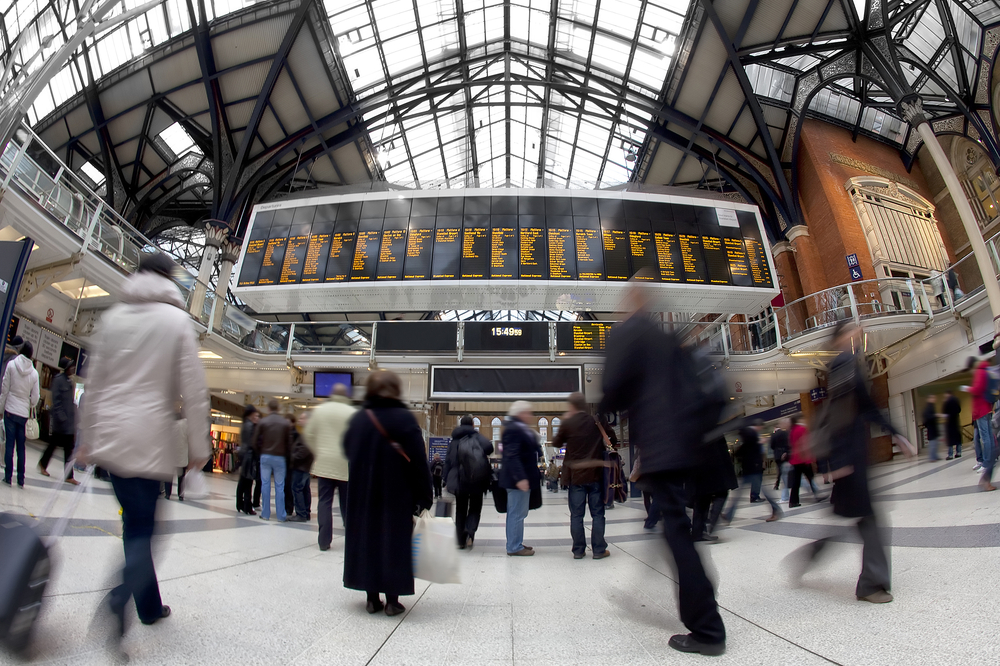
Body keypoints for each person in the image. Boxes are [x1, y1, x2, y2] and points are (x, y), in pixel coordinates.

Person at [77, 252, 210, 641]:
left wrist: (87, 439)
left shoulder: (115, 316)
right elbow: (194, 391)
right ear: (169, 279)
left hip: (111, 442)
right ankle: (121, 596)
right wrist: (199, 448)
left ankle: (149, 607)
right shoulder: (176, 322)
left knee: (133, 524)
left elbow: (94, 384)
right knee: (145, 529)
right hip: (149, 439)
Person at [599, 276, 726, 656]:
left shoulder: (629, 333)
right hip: (687, 447)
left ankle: (707, 628)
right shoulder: (669, 339)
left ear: (632, 298)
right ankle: (699, 596)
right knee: (678, 531)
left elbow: (611, 391)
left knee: (677, 534)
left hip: (660, 446)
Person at [789, 320, 915, 603]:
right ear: (841, 337)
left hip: (853, 455)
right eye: (853, 331)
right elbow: (840, 414)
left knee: (851, 518)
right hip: (850, 457)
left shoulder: (849, 363)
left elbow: (866, 407)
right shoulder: (843, 363)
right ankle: (870, 585)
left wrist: (896, 434)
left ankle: (809, 557)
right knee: (867, 519)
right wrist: (839, 461)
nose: (858, 335)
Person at [342, 371, 432, 616]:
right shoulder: (404, 419)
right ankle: (392, 600)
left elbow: (347, 450)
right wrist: (425, 495)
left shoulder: (359, 419)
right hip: (396, 493)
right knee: (394, 541)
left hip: (363, 494)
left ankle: (371, 598)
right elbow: (418, 462)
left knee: (367, 540)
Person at [554, 392, 610, 560]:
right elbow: (612, 439)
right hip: (595, 475)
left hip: (576, 477)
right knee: (598, 514)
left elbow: (556, 443)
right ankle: (599, 550)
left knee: (577, 515)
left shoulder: (568, 422)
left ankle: (578, 550)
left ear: (571, 406)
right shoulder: (597, 421)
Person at [304, 383, 354, 551]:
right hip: (345, 465)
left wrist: (318, 452)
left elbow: (308, 435)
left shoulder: (320, 410)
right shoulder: (352, 413)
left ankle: (324, 541)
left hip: (325, 464)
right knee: (347, 504)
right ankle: (352, 539)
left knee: (324, 502)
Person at [443, 414, 493, 549]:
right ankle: (470, 532)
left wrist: (445, 478)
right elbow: (490, 448)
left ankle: (460, 540)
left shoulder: (454, 440)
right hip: (477, 478)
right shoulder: (477, 437)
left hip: (459, 480)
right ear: (473, 425)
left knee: (460, 509)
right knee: (475, 507)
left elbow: (448, 461)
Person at [499, 401, 541, 557]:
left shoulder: (518, 428)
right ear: (521, 413)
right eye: (528, 413)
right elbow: (512, 455)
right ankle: (514, 546)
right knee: (517, 513)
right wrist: (520, 478)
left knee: (517, 513)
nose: (530, 416)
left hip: (518, 479)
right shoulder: (514, 429)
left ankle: (515, 542)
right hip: (516, 481)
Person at [724, 420, 781, 524]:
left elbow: (746, 448)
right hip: (751, 467)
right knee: (743, 492)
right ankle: (728, 515)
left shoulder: (750, 433)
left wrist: (737, 453)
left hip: (752, 467)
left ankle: (776, 509)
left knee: (761, 490)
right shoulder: (751, 434)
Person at [1, 339, 39, 488]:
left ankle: (8, 477)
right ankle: (21, 480)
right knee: (21, 447)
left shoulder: (11, 365)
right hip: (23, 414)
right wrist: (27, 403)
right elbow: (35, 398)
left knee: (9, 444)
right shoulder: (34, 373)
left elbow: (5, 388)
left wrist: (1, 406)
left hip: (10, 410)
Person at [38, 356, 79, 484]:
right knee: (52, 446)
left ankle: (69, 475)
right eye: (71, 366)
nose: (73, 369)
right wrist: (62, 417)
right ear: (66, 367)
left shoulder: (69, 382)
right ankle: (43, 465)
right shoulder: (58, 380)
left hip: (68, 424)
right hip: (60, 423)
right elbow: (56, 401)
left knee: (68, 450)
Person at [253, 399, 293, 522]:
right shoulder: (285, 423)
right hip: (280, 458)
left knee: (265, 484)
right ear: (279, 409)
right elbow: (289, 443)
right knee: (280, 486)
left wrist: (260, 452)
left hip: (265, 456)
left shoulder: (263, 422)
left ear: (268, 409)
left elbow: (254, 440)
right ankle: (281, 515)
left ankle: (265, 513)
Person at [966, 358, 996, 491]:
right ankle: (989, 461)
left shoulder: (979, 372)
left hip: (981, 410)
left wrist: (969, 389)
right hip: (987, 408)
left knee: (986, 438)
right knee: (989, 436)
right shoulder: (985, 370)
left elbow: (977, 389)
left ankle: (987, 462)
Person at [787, 415, 822, 508]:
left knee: (796, 482)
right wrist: (810, 458)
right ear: (799, 419)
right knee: (810, 478)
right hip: (803, 459)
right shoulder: (802, 429)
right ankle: (817, 495)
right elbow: (806, 444)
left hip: (795, 460)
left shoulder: (792, 431)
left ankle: (793, 501)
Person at [289, 412, 314, 522]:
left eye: (302, 418)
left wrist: (292, 458)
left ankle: (301, 513)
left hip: (301, 466)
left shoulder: (307, 434)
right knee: (305, 490)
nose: (299, 420)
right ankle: (306, 512)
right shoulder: (307, 433)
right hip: (305, 466)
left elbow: (303, 451)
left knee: (297, 489)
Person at [236, 405, 259, 515]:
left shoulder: (244, 424)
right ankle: (247, 506)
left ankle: (239, 503)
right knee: (248, 482)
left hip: (243, 454)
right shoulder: (251, 426)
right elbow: (252, 443)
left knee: (242, 481)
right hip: (249, 456)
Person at [770, 423, 790, 496]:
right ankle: (788, 483)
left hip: (777, 454)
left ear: (775, 427)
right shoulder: (785, 433)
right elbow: (788, 443)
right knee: (787, 468)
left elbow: (772, 446)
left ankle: (777, 484)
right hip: (785, 453)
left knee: (780, 470)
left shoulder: (773, 435)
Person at [943, 390, 962, 460]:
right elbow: (959, 409)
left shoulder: (946, 402)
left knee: (950, 440)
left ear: (947, 394)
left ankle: (950, 455)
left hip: (950, 423)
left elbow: (944, 412)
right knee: (958, 438)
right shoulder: (956, 400)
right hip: (956, 422)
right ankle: (959, 452)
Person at [923, 395, 941, 462]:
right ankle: (932, 457)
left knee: (935, 443)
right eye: (933, 398)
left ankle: (934, 456)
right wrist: (935, 415)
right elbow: (928, 417)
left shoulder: (931, 407)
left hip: (932, 428)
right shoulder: (929, 408)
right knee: (933, 443)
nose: (934, 399)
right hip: (931, 428)